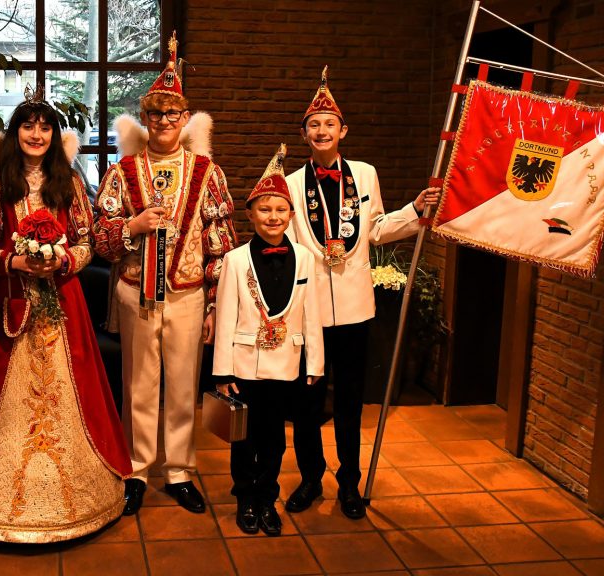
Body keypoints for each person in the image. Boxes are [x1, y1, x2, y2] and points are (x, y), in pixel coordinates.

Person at [0, 86, 131, 543]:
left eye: (45, 126)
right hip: (10, 301)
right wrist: (16, 261)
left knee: (73, 390)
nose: (36, 133)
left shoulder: (69, 183)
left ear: (55, 135)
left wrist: (62, 260)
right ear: (15, 133)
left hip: (62, 304)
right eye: (27, 125)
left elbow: (87, 243)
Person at [283, 66, 441, 519]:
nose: (321, 131)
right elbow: (288, 243)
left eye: (329, 124)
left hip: (355, 308)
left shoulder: (366, 175)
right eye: (313, 125)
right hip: (309, 310)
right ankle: (311, 479)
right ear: (304, 133)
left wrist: (415, 210)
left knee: (351, 400)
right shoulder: (291, 185)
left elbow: (375, 231)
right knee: (308, 401)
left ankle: (348, 483)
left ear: (343, 131)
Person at [93, 32, 237, 515]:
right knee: (137, 383)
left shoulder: (206, 171)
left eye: (172, 115)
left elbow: (222, 240)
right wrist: (131, 226)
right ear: (145, 118)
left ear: (184, 118)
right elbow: (100, 235)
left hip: (188, 292)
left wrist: (216, 305)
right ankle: (136, 469)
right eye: (154, 115)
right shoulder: (123, 171)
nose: (163, 123)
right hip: (137, 291)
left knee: (182, 384)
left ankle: (178, 470)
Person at [213, 144, 325, 536]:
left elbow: (313, 315)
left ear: (291, 214)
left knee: (276, 439)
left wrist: (315, 365)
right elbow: (226, 316)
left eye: (280, 209)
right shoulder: (235, 259)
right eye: (264, 209)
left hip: (286, 363)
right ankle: (245, 495)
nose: (273, 217)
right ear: (250, 214)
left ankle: (267, 496)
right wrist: (221, 371)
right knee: (245, 437)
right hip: (244, 363)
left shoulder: (306, 259)